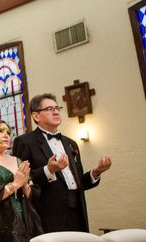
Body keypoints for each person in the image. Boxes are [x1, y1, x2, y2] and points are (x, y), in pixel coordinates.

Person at [12, 93, 112, 234]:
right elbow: (21, 179)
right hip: (48, 213)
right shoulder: (24, 142)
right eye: (49, 109)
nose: (56, 111)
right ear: (36, 116)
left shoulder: (71, 143)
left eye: (57, 108)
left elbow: (76, 182)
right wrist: (48, 170)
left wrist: (96, 173)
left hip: (78, 210)